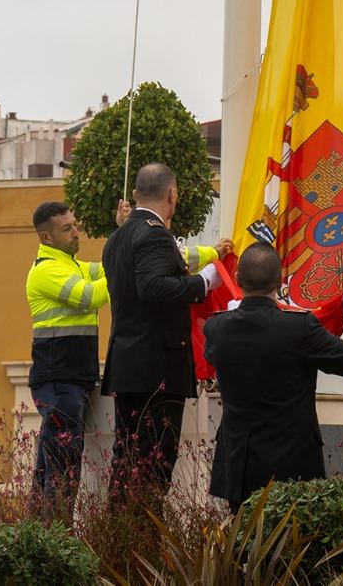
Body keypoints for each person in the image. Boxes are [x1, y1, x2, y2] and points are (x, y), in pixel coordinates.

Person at [202, 242, 343, 513]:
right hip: (293, 465)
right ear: (280, 281)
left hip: (240, 462)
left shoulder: (216, 326)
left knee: (243, 550)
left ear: (236, 279)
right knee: (292, 551)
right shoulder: (299, 327)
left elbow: (213, 355)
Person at [101, 163, 232, 503]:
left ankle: (120, 545)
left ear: (135, 194)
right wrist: (203, 282)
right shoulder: (155, 234)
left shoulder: (116, 238)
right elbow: (153, 286)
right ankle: (142, 546)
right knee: (153, 466)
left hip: (128, 366)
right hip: (156, 369)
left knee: (127, 462)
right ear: (173, 195)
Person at [26, 200, 110, 511]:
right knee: (62, 472)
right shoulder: (46, 271)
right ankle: (55, 541)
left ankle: (39, 538)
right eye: (67, 228)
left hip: (70, 381)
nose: (77, 232)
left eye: (75, 224)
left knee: (49, 469)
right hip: (60, 382)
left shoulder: (73, 266)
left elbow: (108, 268)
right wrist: (126, 267)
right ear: (46, 238)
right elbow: (92, 297)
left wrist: (211, 254)